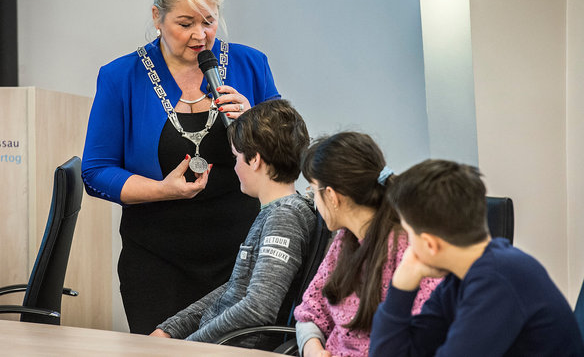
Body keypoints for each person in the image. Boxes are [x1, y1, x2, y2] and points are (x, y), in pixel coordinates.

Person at [81, 0, 280, 334]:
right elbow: (96, 171)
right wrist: (162, 190)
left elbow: (288, 156)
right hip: (156, 261)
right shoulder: (121, 77)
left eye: (208, 21)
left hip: (241, 257)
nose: (200, 35)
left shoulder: (249, 64)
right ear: (157, 17)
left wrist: (255, 123)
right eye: (185, 24)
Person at [369, 159, 584, 356]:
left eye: (408, 232)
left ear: (430, 244)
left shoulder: (499, 279)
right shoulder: (459, 279)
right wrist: (402, 284)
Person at [149, 99, 316, 346]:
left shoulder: (285, 217)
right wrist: (170, 330)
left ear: (255, 159)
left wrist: (189, 346)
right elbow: (235, 287)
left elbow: (258, 308)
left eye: (236, 157)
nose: (235, 166)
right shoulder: (275, 211)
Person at [294, 132, 440, 357]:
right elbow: (309, 314)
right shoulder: (345, 240)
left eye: (313, 191)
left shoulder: (408, 252)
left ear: (332, 196)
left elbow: (424, 340)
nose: (314, 200)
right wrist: (312, 348)